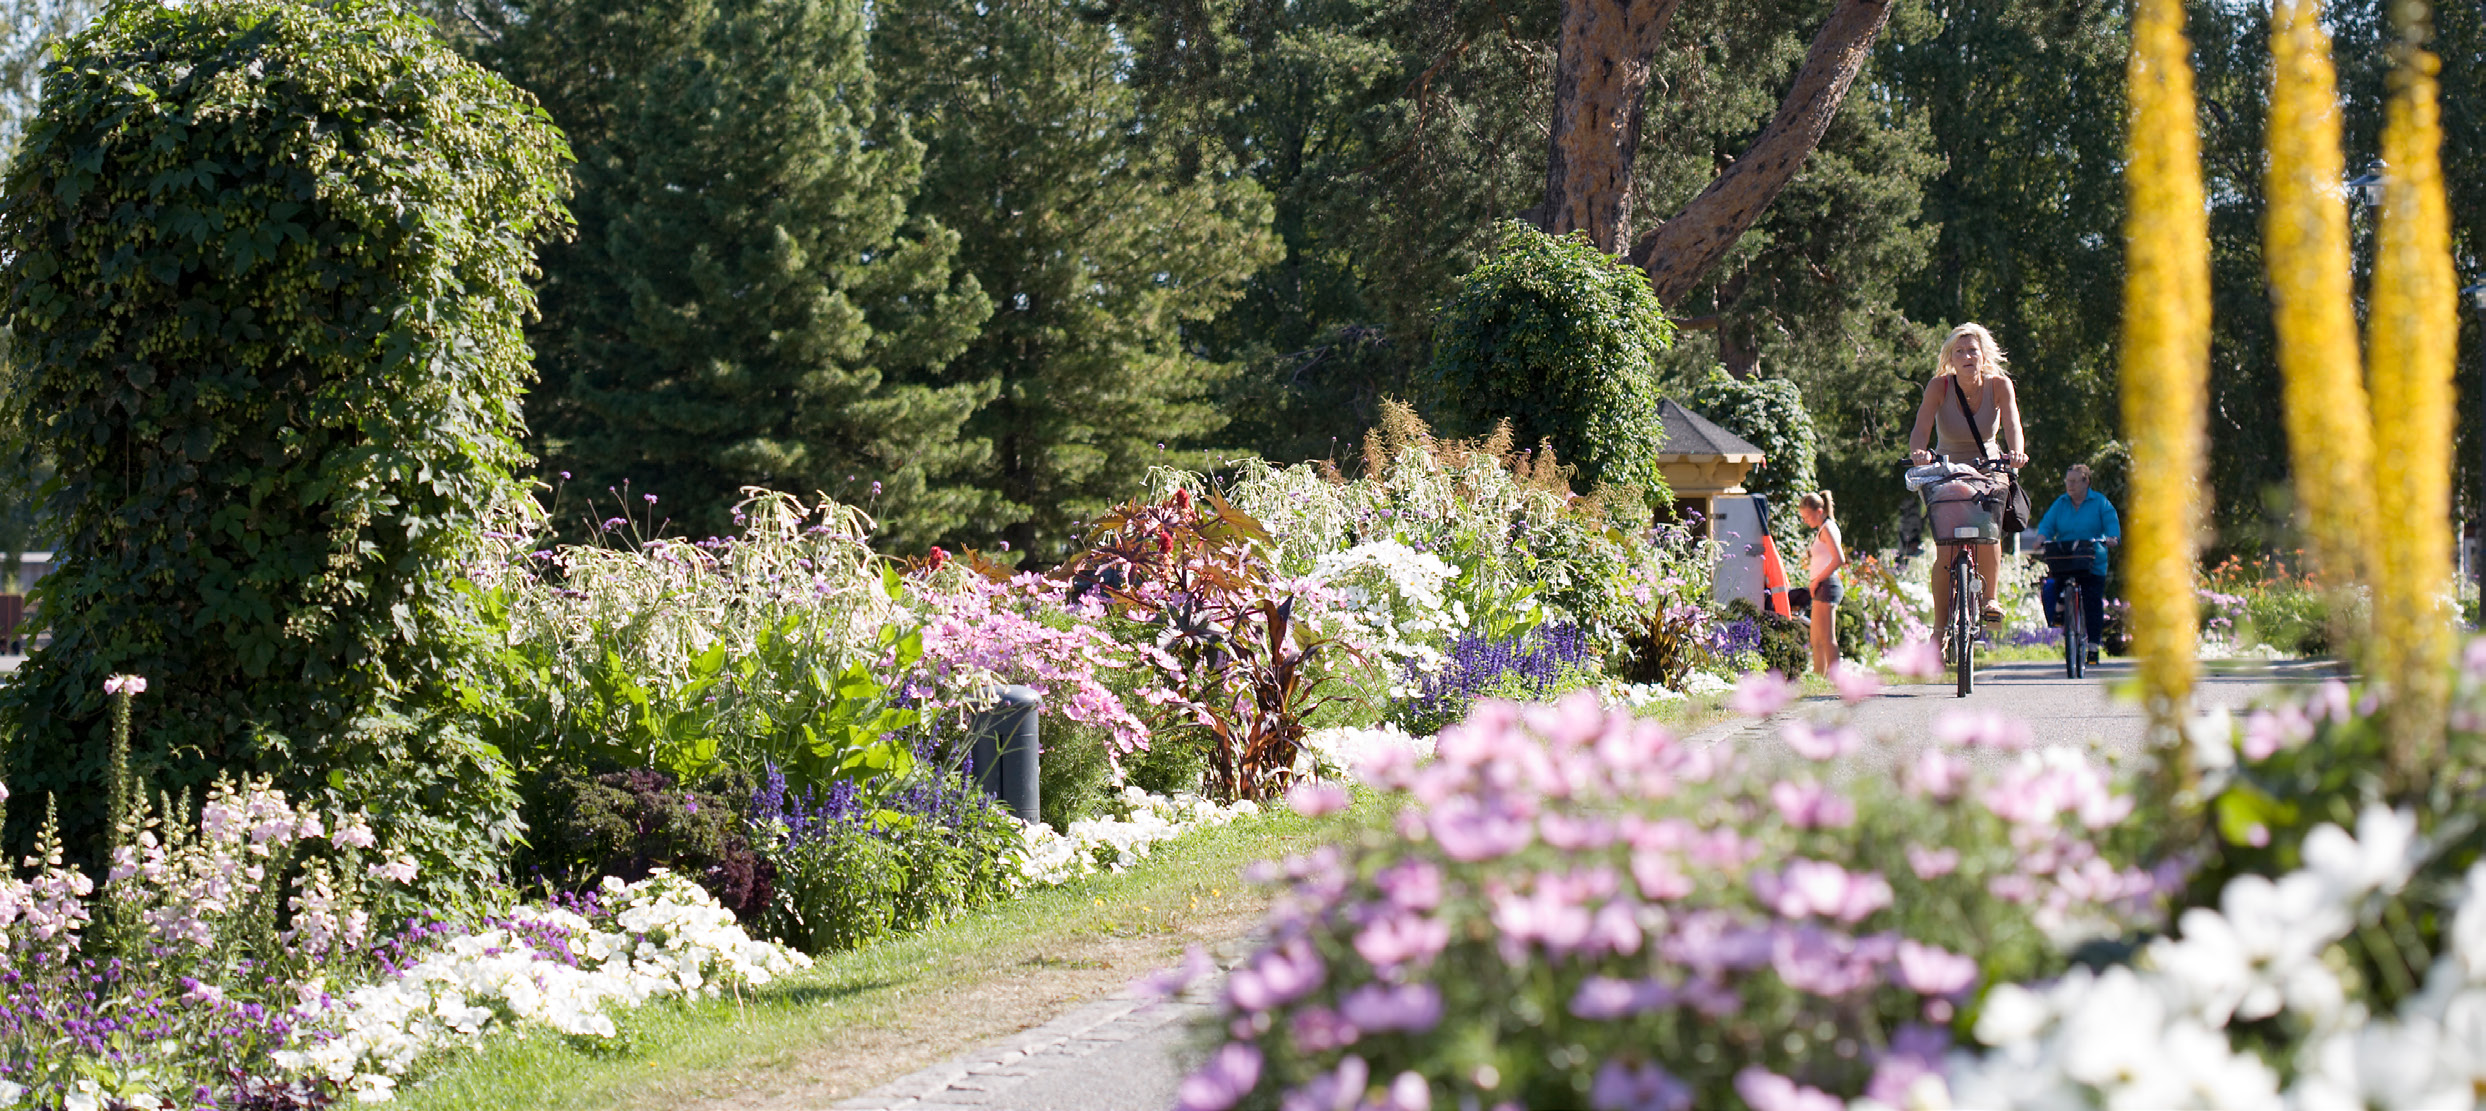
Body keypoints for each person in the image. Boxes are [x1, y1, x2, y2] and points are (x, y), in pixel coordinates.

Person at [1905, 323, 2028, 640]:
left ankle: (1990, 600)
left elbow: (2013, 424)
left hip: (1988, 467)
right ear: (1951, 358)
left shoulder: (1999, 385)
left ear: (1983, 355)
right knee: (1945, 549)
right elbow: (1921, 428)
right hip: (1946, 468)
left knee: (1988, 530)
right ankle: (1939, 629)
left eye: (1972, 350)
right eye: (1959, 351)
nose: (1966, 356)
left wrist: (2016, 453)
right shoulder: (1939, 387)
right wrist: (1919, 452)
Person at [2035, 463, 2120, 664]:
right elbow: (2048, 523)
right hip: (2067, 557)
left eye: (2074, 481)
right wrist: (2041, 536)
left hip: (2092, 560)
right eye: (2068, 481)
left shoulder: (2100, 503)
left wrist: (2112, 538)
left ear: (2086, 481)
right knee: (2055, 584)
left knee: (2092, 600)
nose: (2070, 485)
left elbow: (2111, 524)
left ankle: (2092, 647)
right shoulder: (2061, 503)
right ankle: (2062, 605)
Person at [1797, 491, 1846, 676]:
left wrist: (1816, 580)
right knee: (1816, 639)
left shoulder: (1827, 529)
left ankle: (1835, 679)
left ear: (1819, 511)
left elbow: (1838, 559)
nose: (1806, 521)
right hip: (1821, 587)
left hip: (1826, 586)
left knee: (1827, 638)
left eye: (1808, 516)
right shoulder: (1822, 529)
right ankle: (1819, 677)